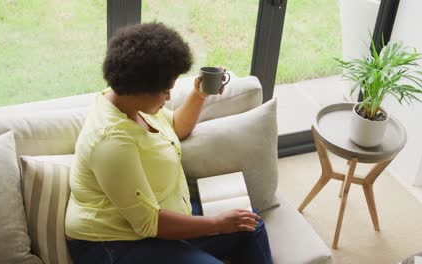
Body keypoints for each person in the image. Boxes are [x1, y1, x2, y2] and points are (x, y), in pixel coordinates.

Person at [65, 22, 273, 264]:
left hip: (160, 218)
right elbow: (149, 223)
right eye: (165, 91)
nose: (169, 97)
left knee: (250, 223)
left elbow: (176, 128)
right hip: (113, 243)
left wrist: (199, 94)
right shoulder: (111, 142)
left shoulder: (132, 103)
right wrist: (218, 223)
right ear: (140, 88)